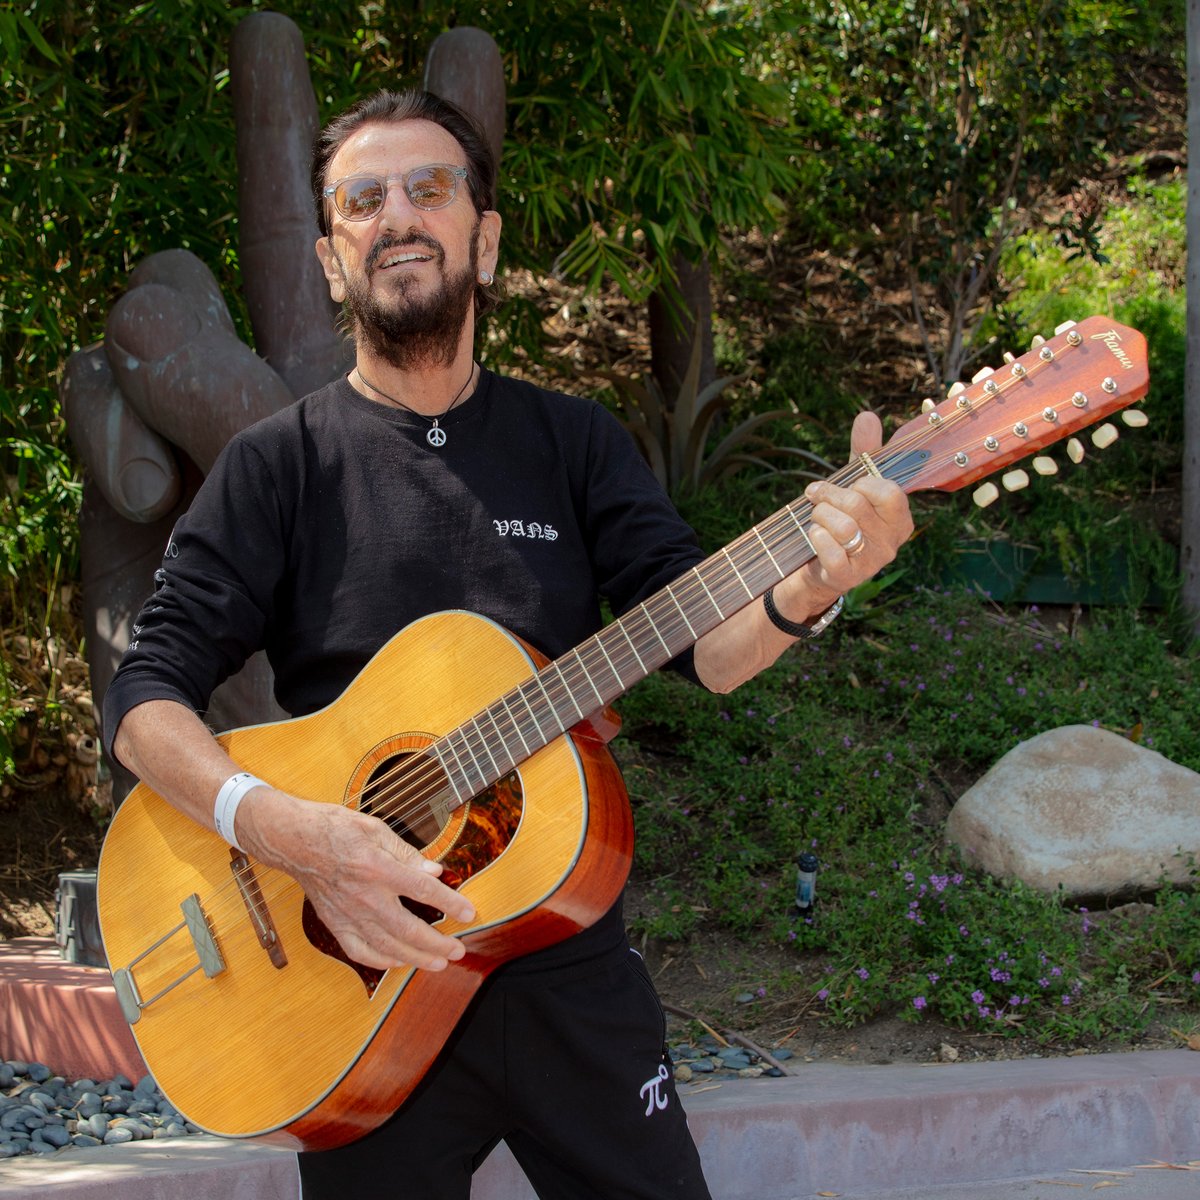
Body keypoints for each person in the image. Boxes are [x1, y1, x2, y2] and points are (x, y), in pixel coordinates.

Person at [102, 89, 914, 1199]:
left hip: (564, 967)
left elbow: (708, 647)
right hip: (357, 984)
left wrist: (817, 582)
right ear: (334, 262)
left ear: (483, 240)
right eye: (362, 199)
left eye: (429, 189)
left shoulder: (573, 441)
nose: (398, 215)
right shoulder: (277, 466)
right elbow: (145, 701)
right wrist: (294, 837)